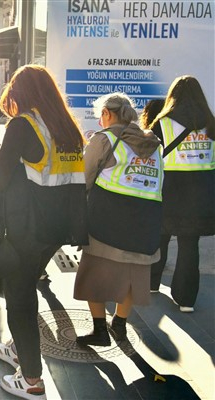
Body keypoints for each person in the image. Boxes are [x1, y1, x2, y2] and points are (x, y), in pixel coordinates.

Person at [0, 65, 87, 399]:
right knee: (26, 285)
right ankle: (19, 347)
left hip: (28, 228)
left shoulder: (23, 124)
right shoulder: (67, 128)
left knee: (19, 296)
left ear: (20, 93)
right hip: (57, 229)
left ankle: (30, 379)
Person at [74, 92, 164, 347]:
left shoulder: (104, 139)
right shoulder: (153, 144)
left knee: (94, 274)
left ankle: (100, 331)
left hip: (106, 220)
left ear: (107, 114)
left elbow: (84, 176)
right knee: (134, 275)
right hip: (145, 221)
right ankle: (120, 324)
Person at [148, 76, 215, 312]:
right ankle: (186, 299)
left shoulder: (163, 122)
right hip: (203, 190)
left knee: (160, 235)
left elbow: (149, 153)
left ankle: (152, 283)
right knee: (189, 243)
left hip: (170, 187)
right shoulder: (211, 122)